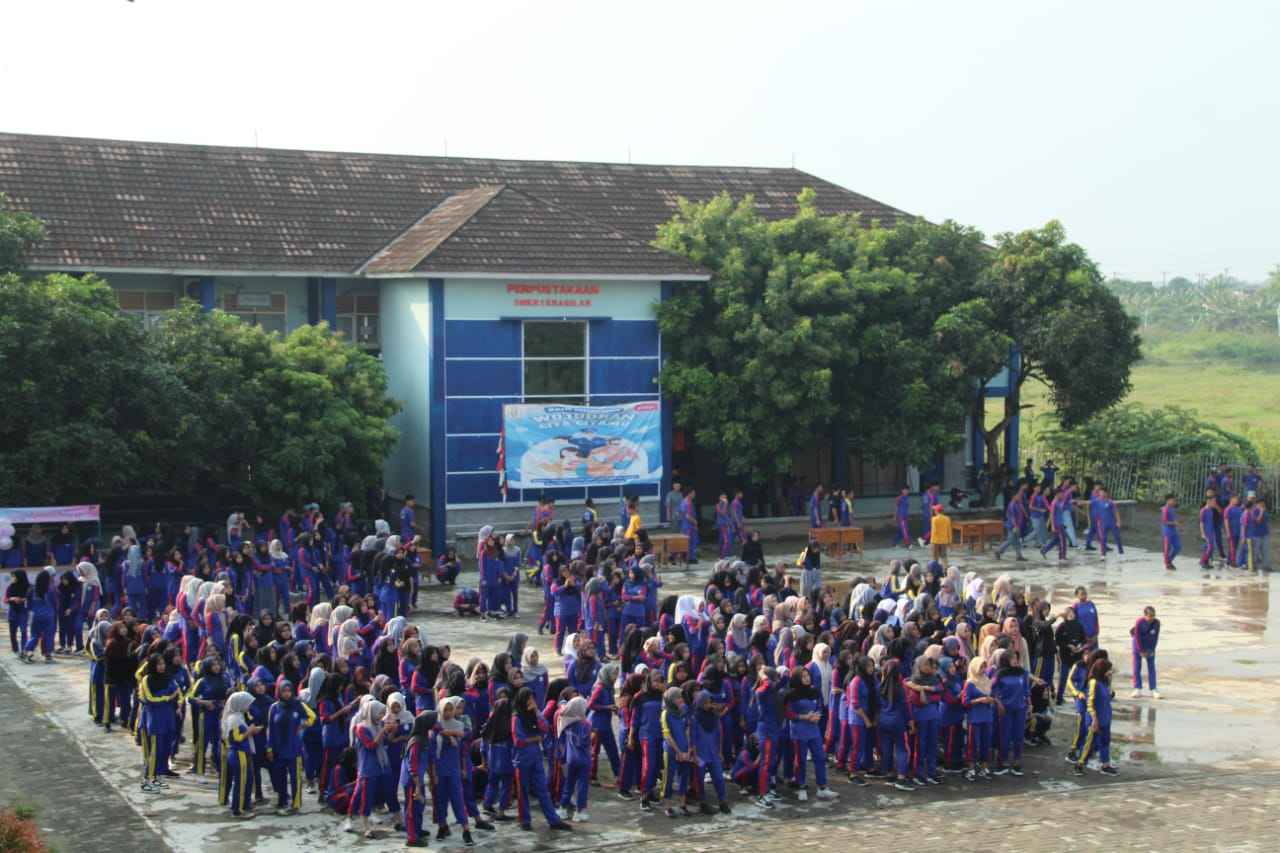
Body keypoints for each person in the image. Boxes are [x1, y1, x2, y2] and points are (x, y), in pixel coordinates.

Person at [511, 686, 571, 832]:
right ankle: (525, 820)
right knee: (522, 792)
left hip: (535, 758)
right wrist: (535, 739)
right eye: (528, 699)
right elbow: (518, 740)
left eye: (533, 698)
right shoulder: (516, 718)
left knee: (543, 790)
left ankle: (553, 820)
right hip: (522, 759)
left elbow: (545, 728)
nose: (531, 702)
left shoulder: (534, 715)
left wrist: (537, 713)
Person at [1073, 657, 1119, 777]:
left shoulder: (1105, 682)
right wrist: (1094, 718)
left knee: (1105, 742)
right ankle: (1080, 763)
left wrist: (1110, 682)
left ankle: (1105, 764)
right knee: (1089, 743)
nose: (1109, 672)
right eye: (1108, 670)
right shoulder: (1093, 683)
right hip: (1095, 719)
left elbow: (1111, 696)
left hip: (1105, 717)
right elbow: (1090, 703)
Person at [222, 692, 261, 819]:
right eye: (246, 704)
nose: (248, 707)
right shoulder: (234, 720)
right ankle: (237, 810)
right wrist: (250, 731)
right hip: (238, 753)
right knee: (241, 782)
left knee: (247, 779)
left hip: (242, 753)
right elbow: (235, 738)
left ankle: (245, 804)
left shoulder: (239, 717)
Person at [20, 567, 57, 663]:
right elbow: (55, 603)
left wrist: (34, 609)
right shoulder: (51, 590)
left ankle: (25, 652)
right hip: (49, 615)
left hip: (36, 615)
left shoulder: (33, 589)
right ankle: (48, 655)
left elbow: (28, 604)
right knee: (49, 635)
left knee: (34, 635)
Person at [1131, 606, 1161, 699]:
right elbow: (1137, 637)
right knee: (1137, 666)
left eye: (1153, 615)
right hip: (1138, 644)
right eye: (1150, 616)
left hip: (1149, 644)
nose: (1152, 618)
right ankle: (1137, 688)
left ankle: (1153, 689)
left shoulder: (1157, 623)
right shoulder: (1139, 622)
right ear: (1145, 615)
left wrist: (1152, 649)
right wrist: (1140, 651)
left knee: (1151, 667)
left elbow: (1156, 637)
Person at [994, 482, 1028, 561]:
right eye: (1017, 496)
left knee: (1017, 541)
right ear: (1014, 496)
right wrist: (1016, 526)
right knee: (1011, 540)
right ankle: (998, 551)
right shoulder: (1011, 505)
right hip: (1012, 526)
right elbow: (1012, 517)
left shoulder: (1016, 504)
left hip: (1016, 525)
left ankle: (1019, 556)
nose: (1019, 497)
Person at [1161, 493, 1182, 571]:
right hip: (1167, 532)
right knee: (1167, 547)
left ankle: (1169, 560)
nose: (1174, 502)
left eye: (1174, 500)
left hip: (1173, 531)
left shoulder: (1172, 509)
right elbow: (1165, 522)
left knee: (1178, 546)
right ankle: (1168, 564)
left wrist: (1176, 523)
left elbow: (1172, 519)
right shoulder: (1165, 509)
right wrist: (1175, 523)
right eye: (1172, 500)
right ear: (1168, 500)